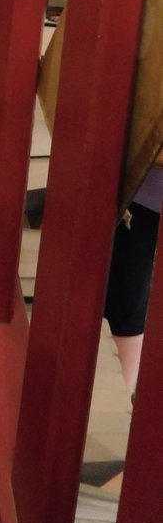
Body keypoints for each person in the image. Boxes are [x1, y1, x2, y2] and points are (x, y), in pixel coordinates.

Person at [104, 148, 162, 397]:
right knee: (126, 299)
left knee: (128, 298)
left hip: (144, 183)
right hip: (142, 182)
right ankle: (123, 392)